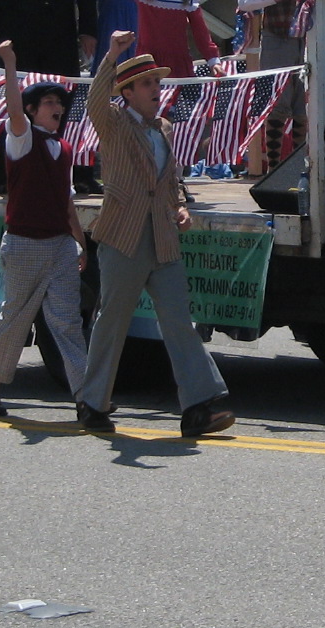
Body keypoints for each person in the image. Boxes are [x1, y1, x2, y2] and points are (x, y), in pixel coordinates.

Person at [74, 30, 234, 439]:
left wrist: (179, 207)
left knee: (180, 320)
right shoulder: (113, 122)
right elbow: (94, 100)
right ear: (125, 92)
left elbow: (168, 184)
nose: (155, 90)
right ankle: (92, 403)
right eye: (146, 84)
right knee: (112, 321)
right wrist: (111, 53)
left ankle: (200, 405)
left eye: (157, 83)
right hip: (123, 237)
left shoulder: (162, 127)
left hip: (162, 236)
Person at [0, 41, 96, 423]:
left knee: (67, 322)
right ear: (31, 110)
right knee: (15, 319)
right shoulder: (22, 139)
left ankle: (85, 399)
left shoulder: (65, 147)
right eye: (47, 103)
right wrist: (10, 64)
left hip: (59, 244)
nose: (56, 107)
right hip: (25, 242)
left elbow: (66, 200)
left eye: (59, 104)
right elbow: (13, 108)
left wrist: (79, 240)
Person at [236, 0, 314, 176]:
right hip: (277, 40)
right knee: (277, 105)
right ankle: (274, 169)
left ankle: (300, 167)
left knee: (303, 107)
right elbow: (244, 0)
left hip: (306, 41)